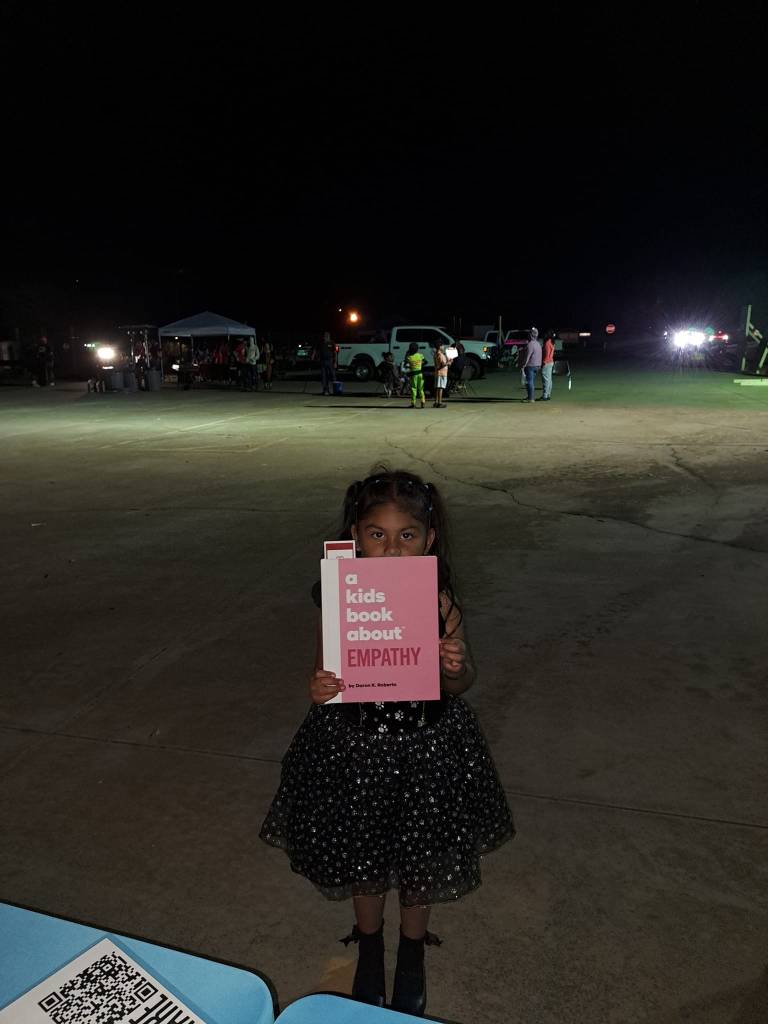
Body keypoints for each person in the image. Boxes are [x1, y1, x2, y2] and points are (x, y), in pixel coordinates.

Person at [260, 469, 514, 1015]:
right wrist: (319, 687)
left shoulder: (439, 602)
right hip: (356, 748)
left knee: (422, 855)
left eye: (407, 535)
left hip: (427, 747)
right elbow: (325, 673)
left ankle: (413, 950)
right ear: (355, 535)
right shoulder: (340, 596)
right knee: (364, 854)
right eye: (377, 534)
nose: (392, 549)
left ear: (429, 539)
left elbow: (461, 682)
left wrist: (455, 666)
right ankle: (370, 945)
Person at [522, 328, 542, 403]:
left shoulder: (530, 344)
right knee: (531, 381)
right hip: (537, 365)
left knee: (529, 382)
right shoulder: (538, 344)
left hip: (531, 365)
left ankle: (531, 398)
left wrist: (523, 365)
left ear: (531, 335)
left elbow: (527, 356)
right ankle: (529, 396)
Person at [404, 342, 426, 408]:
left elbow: (405, 364)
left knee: (414, 388)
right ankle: (423, 401)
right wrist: (420, 364)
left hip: (413, 374)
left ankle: (413, 403)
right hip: (420, 374)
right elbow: (425, 362)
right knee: (421, 388)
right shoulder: (420, 355)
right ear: (417, 349)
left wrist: (410, 365)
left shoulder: (409, 357)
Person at [433, 342, 448, 408]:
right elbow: (443, 364)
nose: (444, 347)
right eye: (443, 346)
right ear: (440, 347)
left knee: (437, 388)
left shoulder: (436, 354)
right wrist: (448, 362)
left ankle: (436, 402)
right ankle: (440, 402)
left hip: (437, 372)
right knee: (441, 388)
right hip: (442, 373)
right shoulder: (440, 355)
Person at [541, 331, 555, 401]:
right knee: (549, 379)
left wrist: (543, 363)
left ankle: (545, 395)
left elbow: (546, 355)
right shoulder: (552, 342)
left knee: (545, 380)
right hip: (551, 362)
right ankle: (548, 394)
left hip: (546, 363)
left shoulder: (547, 343)